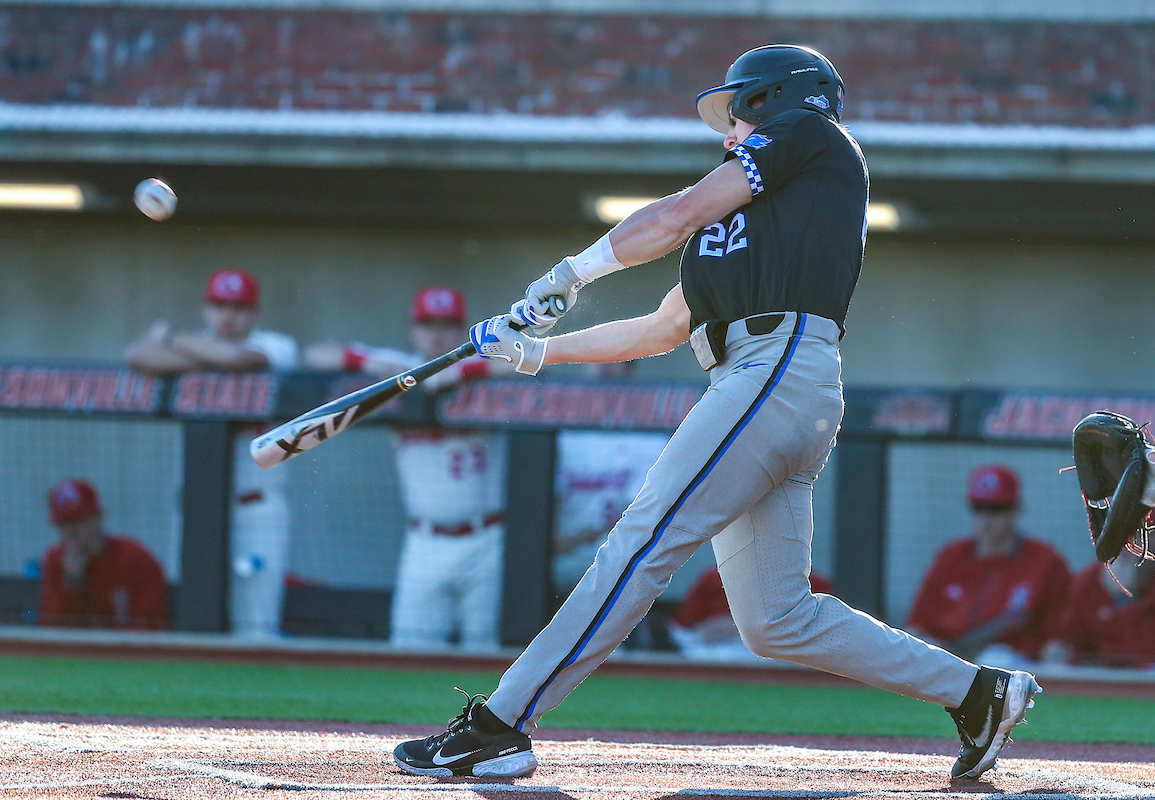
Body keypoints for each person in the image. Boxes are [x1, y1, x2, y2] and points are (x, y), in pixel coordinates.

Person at [392, 44, 1041, 783]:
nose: (728, 130)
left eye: (736, 113)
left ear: (773, 99)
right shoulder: (736, 223)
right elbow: (660, 328)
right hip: (760, 381)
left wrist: (570, 274)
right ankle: (978, 693)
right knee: (776, 620)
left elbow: (675, 212)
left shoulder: (811, 136)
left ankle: (501, 725)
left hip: (777, 368)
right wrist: (536, 351)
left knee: (640, 542)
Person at [304, 285, 505, 649]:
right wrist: (365, 363)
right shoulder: (399, 365)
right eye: (428, 324)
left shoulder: (487, 362)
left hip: (486, 539)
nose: (437, 333)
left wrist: (465, 371)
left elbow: (525, 364)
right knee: (409, 651)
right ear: (415, 328)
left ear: (461, 329)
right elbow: (316, 354)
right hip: (424, 540)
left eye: (446, 324)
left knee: (485, 653)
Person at [125, 267, 298, 638]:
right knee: (195, 624)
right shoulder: (201, 344)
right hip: (200, 511)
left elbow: (237, 360)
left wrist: (172, 339)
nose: (228, 314)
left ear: (254, 312)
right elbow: (137, 355)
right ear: (207, 308)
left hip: (256, 509)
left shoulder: (278, 346)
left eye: (238, 306)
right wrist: (208, 356)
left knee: (256, 629)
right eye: (219, 304)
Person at [907, 465, 1072, 667]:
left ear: (1016, 509)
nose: (986, 520)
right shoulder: (950, 557)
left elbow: (1061, 634)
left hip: (1015, 665)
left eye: (996, 510)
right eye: (979, 508)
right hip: (950, 659)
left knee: (994, 658)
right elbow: (918, 625)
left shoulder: (1045, 562)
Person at [552, 362, 670, 598]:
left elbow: (644, 515)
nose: (604, 368)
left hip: (618, 571)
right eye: (596, 358)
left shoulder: (648, 435)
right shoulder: (560, 430)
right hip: (555, 564)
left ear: (630, 370)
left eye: (618, 361)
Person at [38, 478, 168, 629]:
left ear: (98, 517)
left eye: (79, 520)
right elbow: (51, 630)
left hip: (124, 649)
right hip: (77, 651)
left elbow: (148, 626)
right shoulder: (55, 561)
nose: (72, 531)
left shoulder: (134, 559)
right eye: (64, 523)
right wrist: (71, 584)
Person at [1042, 524, 1155, 669]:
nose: (1130, 548)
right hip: (1106, 682)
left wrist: (1128, 600)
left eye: (1138, 537)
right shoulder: (1088, 583)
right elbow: (1063, 647)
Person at [669, 566, 833, 661]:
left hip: (772, 654)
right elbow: (681, 627)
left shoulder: (809, 581)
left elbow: (825, 630)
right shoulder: (713, 577)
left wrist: (744, 628)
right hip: (709, 647)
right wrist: (705, 630)